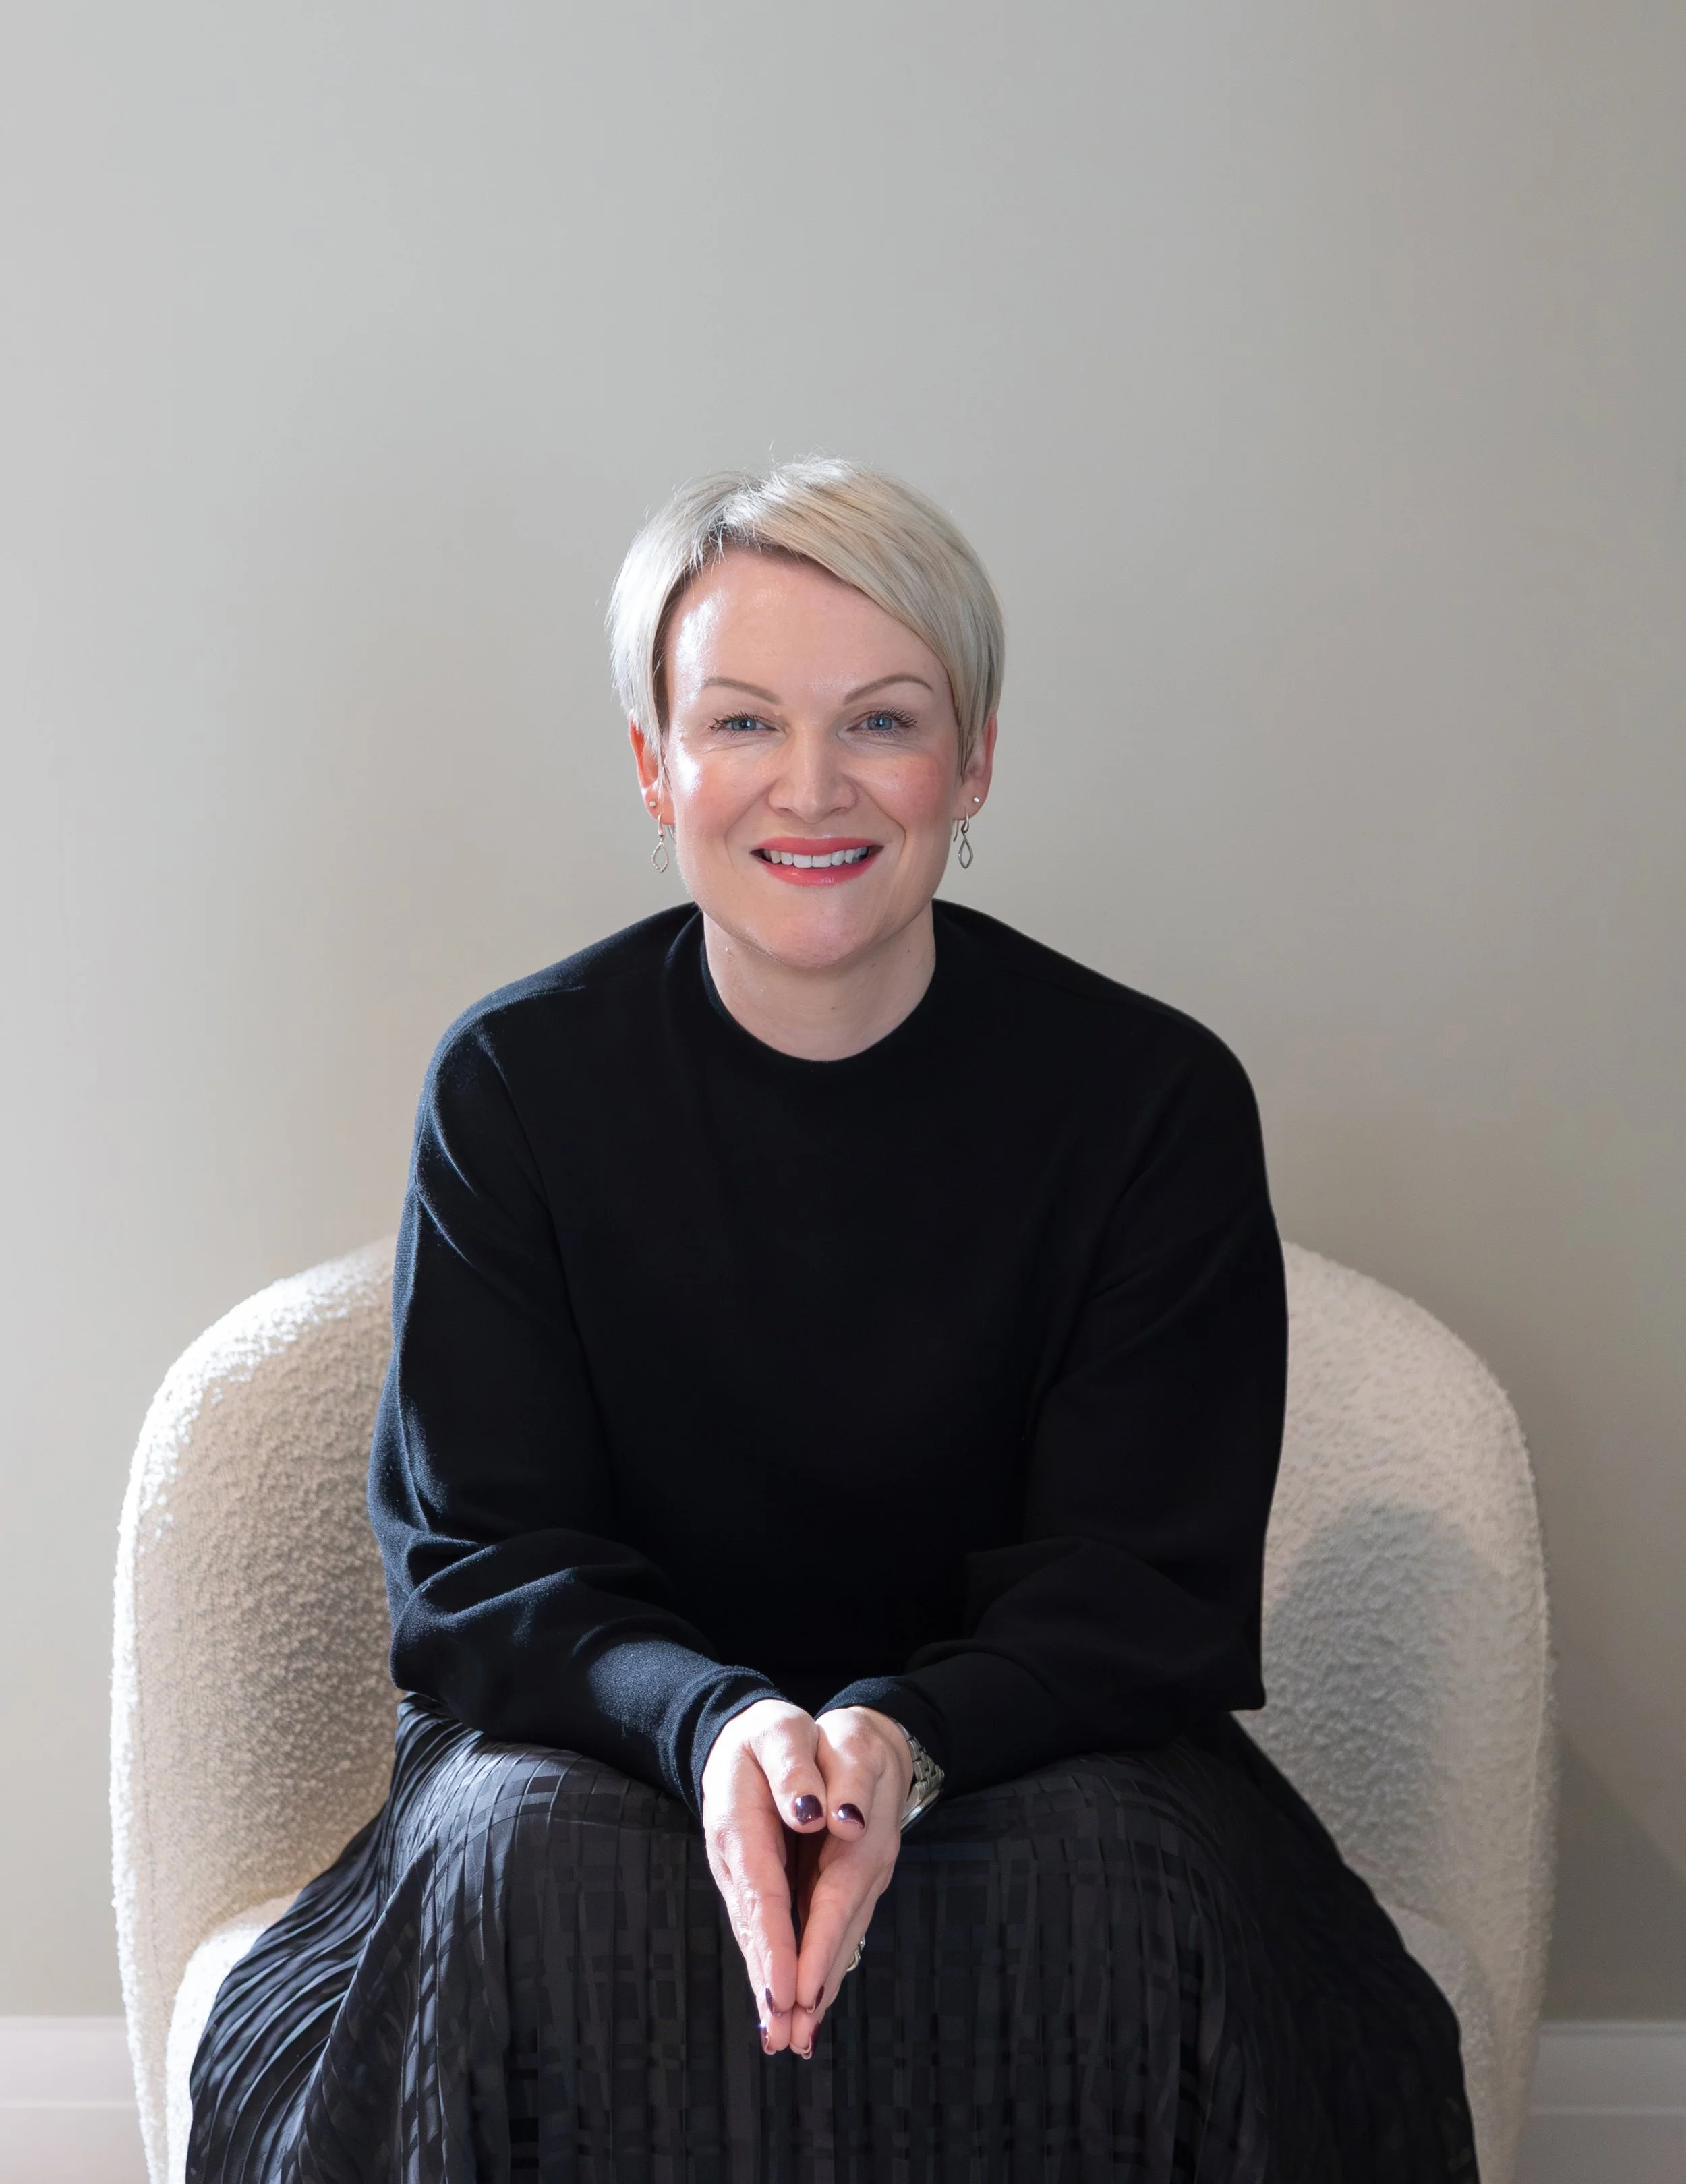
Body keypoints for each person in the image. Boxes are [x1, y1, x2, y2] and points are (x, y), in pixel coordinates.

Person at [187, 459, 1478, 2182]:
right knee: (522, 1853)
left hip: (1022, 1754)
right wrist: (720, 1726)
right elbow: (482, 1563)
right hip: (605, 1751)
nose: (811, 786)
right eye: (739, 723)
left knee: (1113, 1870)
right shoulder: (515, 1086)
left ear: (974, 759)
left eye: (881, 719)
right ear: (654, 764)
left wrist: (893, 1740)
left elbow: (1136, 1582)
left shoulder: (1149, 1099)